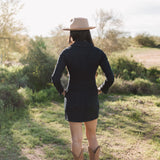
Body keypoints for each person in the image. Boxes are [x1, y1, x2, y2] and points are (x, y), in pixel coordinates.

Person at [51, 17, 114, 160]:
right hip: (91, 97)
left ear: (72, 34)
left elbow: (55, 78)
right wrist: (101, 89)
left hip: (73, 98)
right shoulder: (98, 53)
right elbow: (110, 78)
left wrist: (62, 91)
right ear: (88, 33)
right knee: (92, 136)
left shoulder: (66, 53)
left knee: (76, 139)